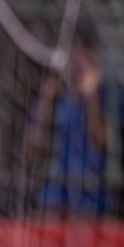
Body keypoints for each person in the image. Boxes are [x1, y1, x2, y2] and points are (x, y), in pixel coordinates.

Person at [29, 27, 112, 217]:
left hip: (89, 186)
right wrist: (45, 102)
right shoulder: (57, 94)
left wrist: (92, 101)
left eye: (80, 54)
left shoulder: (105, 92)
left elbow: (102, 142)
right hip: (58, 185)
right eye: (72, 53)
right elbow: (33, 147)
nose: (75, 61)